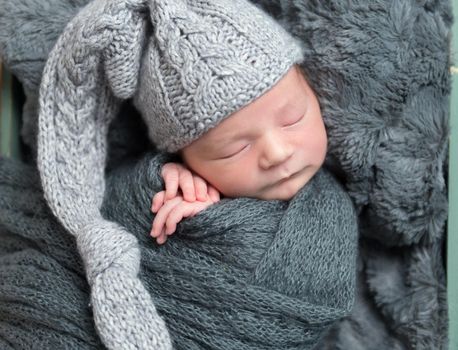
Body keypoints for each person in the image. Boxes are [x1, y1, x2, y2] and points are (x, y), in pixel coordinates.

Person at [150, 63, 327, 244]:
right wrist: (165, 186)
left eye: (293, 119)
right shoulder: (184, 190)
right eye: (234, 150)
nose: (277, 153)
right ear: (185, 160)